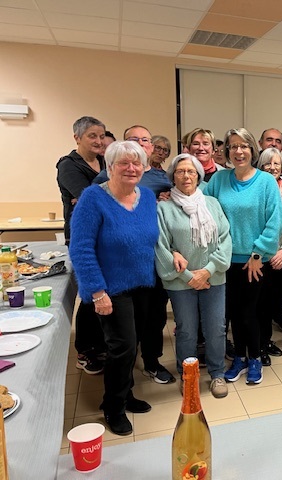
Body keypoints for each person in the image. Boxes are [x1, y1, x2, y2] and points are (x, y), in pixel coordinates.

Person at [69, 140, 157, 436]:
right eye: (123, 163)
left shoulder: (146, 197)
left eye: (137, 163)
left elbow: (153, 239)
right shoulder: (92, 198)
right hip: (110, 289)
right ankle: (113, 406)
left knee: (133, 346)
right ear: (110, 167)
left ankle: (127, 393)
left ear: (144, 168)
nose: (131, 168)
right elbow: (81, 249)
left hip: (143, 284)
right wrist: (96, 292)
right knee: (122, 348)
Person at [93, 126, 175, 384]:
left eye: (145, 140)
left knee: (154, 320)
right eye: (133, 140)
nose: (131, 168)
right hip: (118, 276)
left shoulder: (162, 179)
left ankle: (151, 362)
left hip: (153, 269)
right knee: (125, 339)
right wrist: (96, 289)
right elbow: (87, 240)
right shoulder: (99, 188)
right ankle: (121, 387)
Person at [203, 128, 282, 384]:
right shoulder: (218, 180)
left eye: (244, 146)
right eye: (233, 146)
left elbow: (277, 220)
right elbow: (205, 214)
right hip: (224, 261)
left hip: (254, 262)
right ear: (227, 151)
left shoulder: (266, 182)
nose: (239, 151)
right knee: (233, 313)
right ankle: (238, 357)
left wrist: (259, 253)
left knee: (250, 312)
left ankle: (255, 358)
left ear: (253, 149)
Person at [155, 153, 232, 398]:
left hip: (214, 278)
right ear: (172, 176)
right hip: (180, 281)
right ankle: (187, 376)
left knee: (216, 329)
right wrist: (190, 276)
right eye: (180, 171)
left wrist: (208, 271)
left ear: (199, 175)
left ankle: (217, 374)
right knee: (186, 330)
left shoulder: (212, 203)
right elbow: (162, 247)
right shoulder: (164, 208)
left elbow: (225, 239)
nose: (186, 176)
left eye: (191, 171)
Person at [56, 116, 107, 375]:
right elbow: (91, 197)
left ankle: (100, 345)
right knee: (89, 295)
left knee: (105, 293)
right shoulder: (68, 166)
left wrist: (94, 196)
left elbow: (93, 196)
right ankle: (85, 351)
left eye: (101, 135)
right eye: (92, 136)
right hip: (83, 237)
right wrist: (96, 196)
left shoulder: (103, 162)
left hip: (106, 236)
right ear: (77, 137)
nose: (98, 141)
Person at [256, 148, 282, 365]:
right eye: (267, 164)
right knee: (259, 304)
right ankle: (259, 345)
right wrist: (269, 251)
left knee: (275, 301)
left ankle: (267, 341)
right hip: (260, 257)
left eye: (276, 164)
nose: (272, 168)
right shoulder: (257, 190)